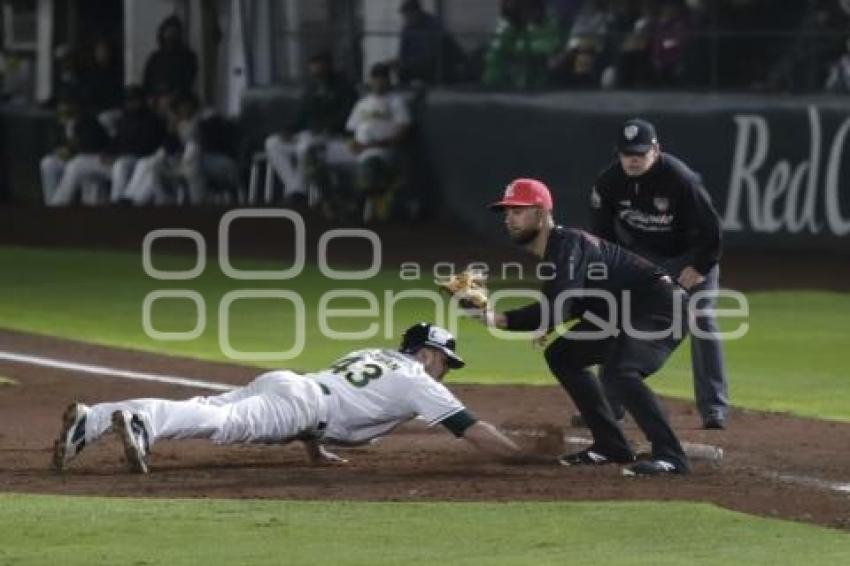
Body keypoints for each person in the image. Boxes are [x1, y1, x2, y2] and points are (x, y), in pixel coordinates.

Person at [54, 323, 535, 474]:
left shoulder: (374, 354)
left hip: (290, 386)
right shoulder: (421, 382)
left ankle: (91, 420)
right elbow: (473, 431)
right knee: (220, 423)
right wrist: (523, 458)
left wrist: (314, 450)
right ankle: (141, 421)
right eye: (445, 359)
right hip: (303, 403)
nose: (446, 369)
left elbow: (339, 398)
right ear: (429, 352)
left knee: (214, 407)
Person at [468, 178, 690, 476]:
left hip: (662, 307)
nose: (509, 219)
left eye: (518, 211)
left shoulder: (568, 243)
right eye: (506, 212)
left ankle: (671, 457)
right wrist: (548, 317)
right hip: (624, 313)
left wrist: (501, 319)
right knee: (563, 354)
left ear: (541, 212)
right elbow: (578, 299)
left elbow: (561, 303)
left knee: (619, 371)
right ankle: (611, 446)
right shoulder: (558, 252)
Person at [589, 118, 728, 430]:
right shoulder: (608, 182)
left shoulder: (680, 179)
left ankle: (714, 409)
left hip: (691, 255)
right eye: (627, 153)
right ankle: (611, 404)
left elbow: (712, 229)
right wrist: (612, 273)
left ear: (656, 150)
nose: (633, 159)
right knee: (614, 316)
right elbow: (602, 234)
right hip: (645, 257)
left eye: (640, 152)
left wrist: (700, 267)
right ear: (619, 153)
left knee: (702, 320)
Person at [263, 52, 358, 205]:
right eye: (313, 65)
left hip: (334, 137)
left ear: (328, 66)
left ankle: (297, 192)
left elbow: (347, 117)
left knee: (306, 145)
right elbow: (301, 117)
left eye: (319, 65)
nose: (315, 69)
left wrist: (323, 129)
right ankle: (294, 188)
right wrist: (289, 131)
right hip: (307, 135)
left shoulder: (344, 88)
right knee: (273, 143)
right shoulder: (311, 89)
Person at [345, 62, 412, 222]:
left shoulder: (396, 101)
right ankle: (330, 202)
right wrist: (352, 143)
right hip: (358, 147)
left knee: (370, 163)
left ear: (388, 80)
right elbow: (350, 129)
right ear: (371, 80)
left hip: (379, 149)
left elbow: (403, 132)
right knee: (316, 153)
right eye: (376, 78)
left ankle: (358, 206)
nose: (379, 82)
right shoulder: (362, 103)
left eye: (383, 78)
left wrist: (370, 145)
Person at [142, 15, 198, 97]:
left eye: (174, 32)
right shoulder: (155, 58)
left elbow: (188, 80)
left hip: (178, 101)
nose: (170, 35)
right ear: (163, 33)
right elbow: (147, 82)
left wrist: (174, 94)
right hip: (156, 100)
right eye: (168, 31)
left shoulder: (188, 57)